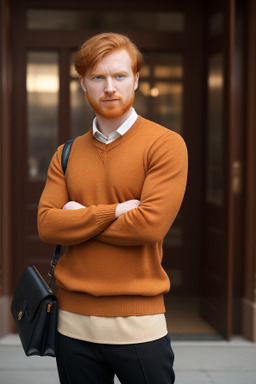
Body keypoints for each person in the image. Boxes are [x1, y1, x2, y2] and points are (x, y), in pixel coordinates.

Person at [37, 32, 188, 384]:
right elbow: (47, 225)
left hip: (139, 325)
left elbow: (148, 227)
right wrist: (115, 212)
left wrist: (77, 216)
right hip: (71, 323)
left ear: (136, 79)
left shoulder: (165, 145)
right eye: (98, 77)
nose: (109, 87)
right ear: (83, 84)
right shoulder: (66, 153)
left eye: (119, 76)